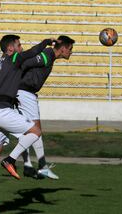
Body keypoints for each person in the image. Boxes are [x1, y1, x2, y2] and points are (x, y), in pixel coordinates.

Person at [0, 35, 56, 209]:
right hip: (2, 111)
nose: (21, 48)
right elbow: (31, 53)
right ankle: (11, 160)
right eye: (19, 45)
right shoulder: (14, 59)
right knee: (35, 132)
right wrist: (45, 42)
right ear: (11, 49)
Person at [17, 35, 75, 180]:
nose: (71, 52)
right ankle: (42, 166)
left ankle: (28, 165)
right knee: (36, 130)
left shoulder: (49, 56)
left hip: (22, 92)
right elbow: (25, 64)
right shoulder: (48, 55)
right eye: (70, 49)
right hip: (25, 93)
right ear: (62, 48)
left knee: (27, 131)